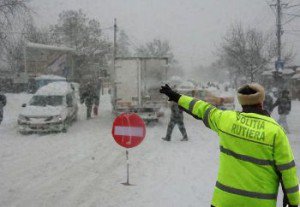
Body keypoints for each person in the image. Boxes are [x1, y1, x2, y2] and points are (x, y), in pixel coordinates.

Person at [160, 83, 299, 207]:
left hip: (224, 201)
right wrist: (293, 201)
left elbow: (201, 108)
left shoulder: (227, 119)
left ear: (241, 103)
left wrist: (176, 97)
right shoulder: (275, 131)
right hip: (260, 202)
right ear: (261, 102)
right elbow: (287, 170)